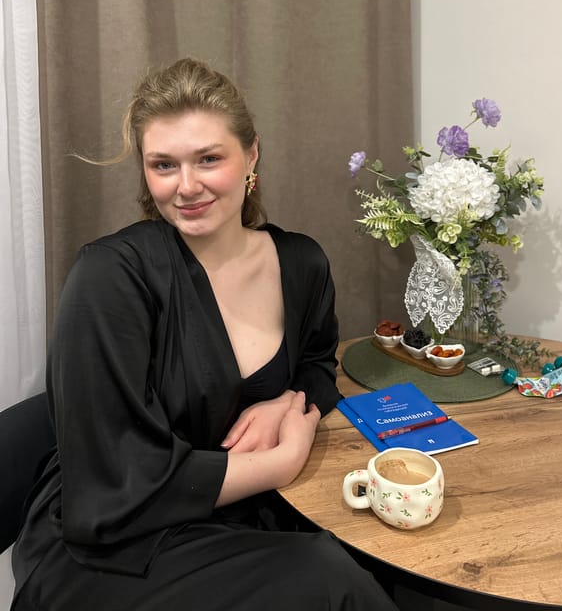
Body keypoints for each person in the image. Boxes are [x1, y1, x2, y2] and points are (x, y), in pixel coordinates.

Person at [11, 58, 399, 610]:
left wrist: (287, 403)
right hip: (113, 541)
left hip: (246, 511)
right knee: (327, 579)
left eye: (209, 159)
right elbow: (116, 480)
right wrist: (279, 461)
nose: (186, 187)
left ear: (252, 154)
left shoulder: (302, 261)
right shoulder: (110, 276)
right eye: (163, 164)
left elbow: (318, 363)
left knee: (382, 558)